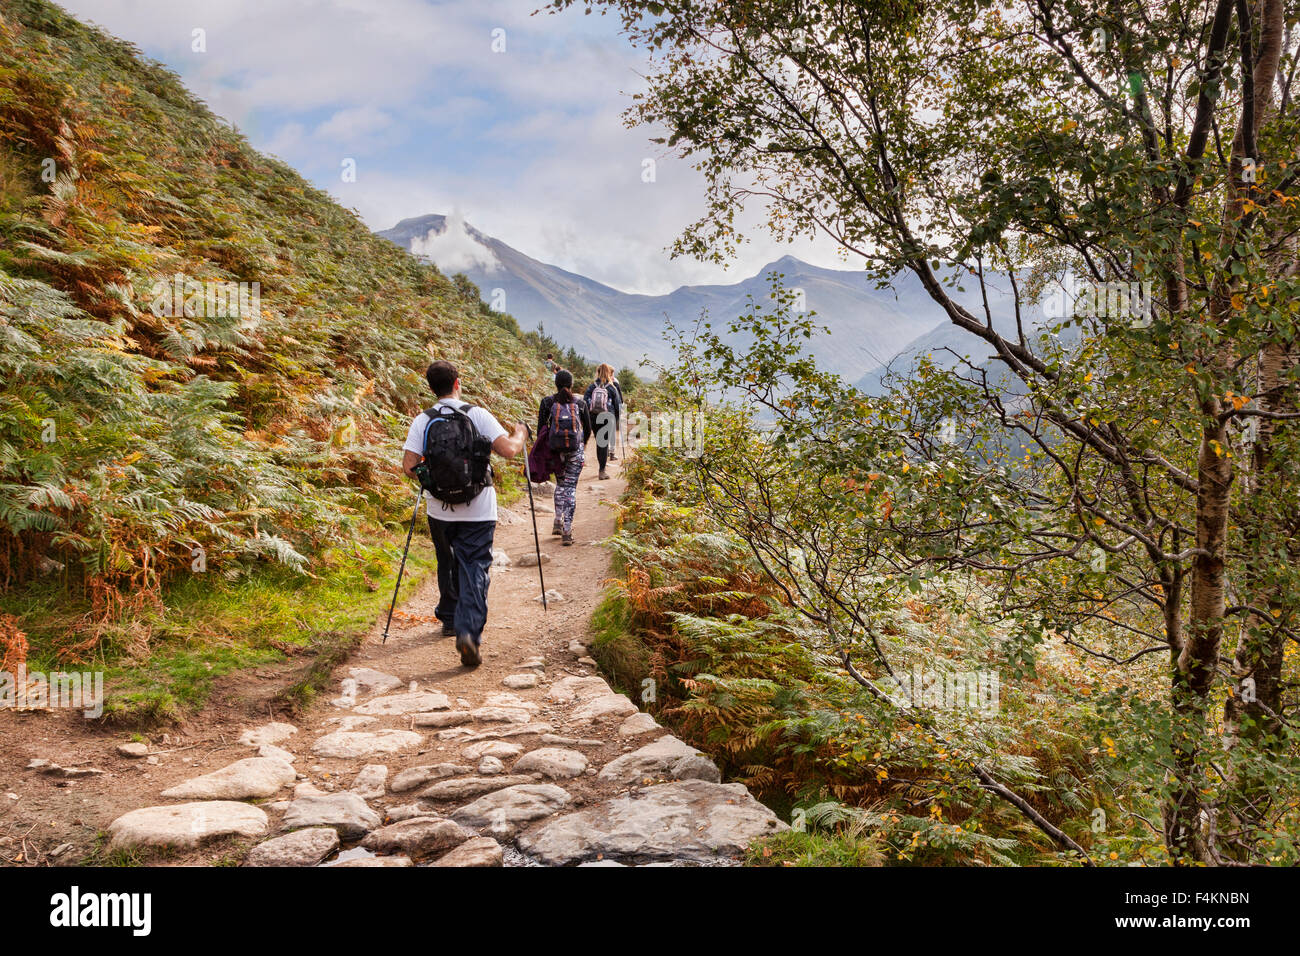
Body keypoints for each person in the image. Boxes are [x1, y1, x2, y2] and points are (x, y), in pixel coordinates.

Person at [402, 360, 527, 668]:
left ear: (432, 388)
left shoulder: (423, 419)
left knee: (446, 559)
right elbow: (509, 450)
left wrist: (434, 481)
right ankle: (467, 631)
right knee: (474, 567)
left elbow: (408, 465)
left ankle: (448, 616)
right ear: (458, 382)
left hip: (439, 509)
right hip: (479, 508)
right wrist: (520, 433)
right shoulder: (477, 414)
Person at [537, 369, 591, 546]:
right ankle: (567, 530)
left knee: (560, 484)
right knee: (570, 488)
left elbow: (540, 431)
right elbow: (588, 430)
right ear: (571, 384)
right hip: (575, 451)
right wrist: (581, 445)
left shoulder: (547, 402)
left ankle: (557, 521)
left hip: (555, 453)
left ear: (556, 384)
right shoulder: (580, 403)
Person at [584, 363, 622, 480]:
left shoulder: (592, 387)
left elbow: (585, 402)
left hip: (594, 417)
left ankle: (601, 469)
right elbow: (618, 405)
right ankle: (602, 471)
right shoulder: (611, 388)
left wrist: (587, 419)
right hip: (607, 417)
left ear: (598, 372)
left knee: (599, 443)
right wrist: (616, 420)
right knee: (603, 444)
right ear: (610, 374)